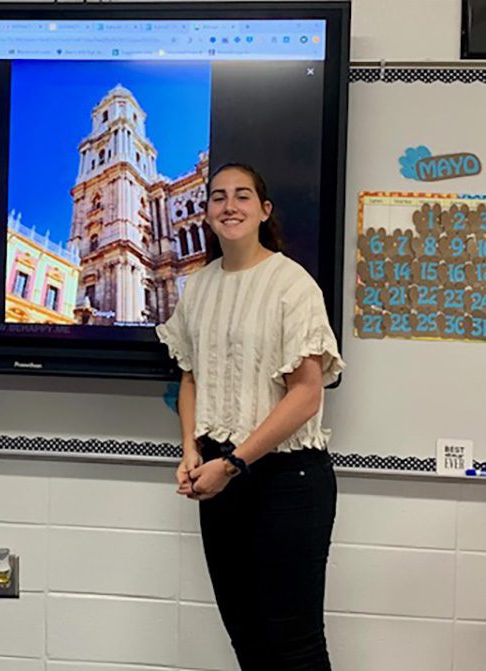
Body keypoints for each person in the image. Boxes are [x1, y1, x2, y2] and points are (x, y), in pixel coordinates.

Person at [157, 164, 344, 670]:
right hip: (219, 477)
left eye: (242, 196)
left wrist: (234, 464)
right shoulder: (196, 288)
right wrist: (192, 452)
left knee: (295, 644)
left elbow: (306, 394)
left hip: (289, 479)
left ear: (264, 211)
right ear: (208, 213)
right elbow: (190, 375)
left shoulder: (292, 284)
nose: (228, 205)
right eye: (217, 197)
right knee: (247, 638)